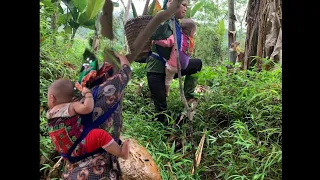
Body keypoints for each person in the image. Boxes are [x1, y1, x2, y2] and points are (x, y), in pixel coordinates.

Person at [46, 53, 132, 179]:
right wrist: (123, 59)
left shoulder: (70, 101)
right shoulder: (99, 92)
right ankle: (121, 152)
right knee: (100, 136)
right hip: (96, 164)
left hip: (72, 161)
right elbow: (125, 73)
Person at [146, 0, 203, 123]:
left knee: (197, 64)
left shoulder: (177, 24)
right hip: (156, 70)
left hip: (172, 66)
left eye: (186, 6)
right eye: (183, 5)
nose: (185, 8)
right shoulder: (163, 16)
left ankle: (188, 96)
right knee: (162, 112)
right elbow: (154, 33)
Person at [46, 79, 130, 160]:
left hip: (64, 152)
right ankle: (120, 153)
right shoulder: (72, 106)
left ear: (52, 98)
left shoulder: (49, 113)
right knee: (100, 135)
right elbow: (88, 108)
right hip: (78, 146)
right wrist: (88, 94)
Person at [153, 18, 196, 97]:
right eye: (194, 31)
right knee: (171, 75)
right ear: (191, 31)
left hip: (172, 66)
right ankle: (188, 95)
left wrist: (156, 41)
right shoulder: (190, 41)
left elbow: (167, 43)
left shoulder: (177, 36)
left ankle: (167, 92)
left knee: (168, 79)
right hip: (183, 66)